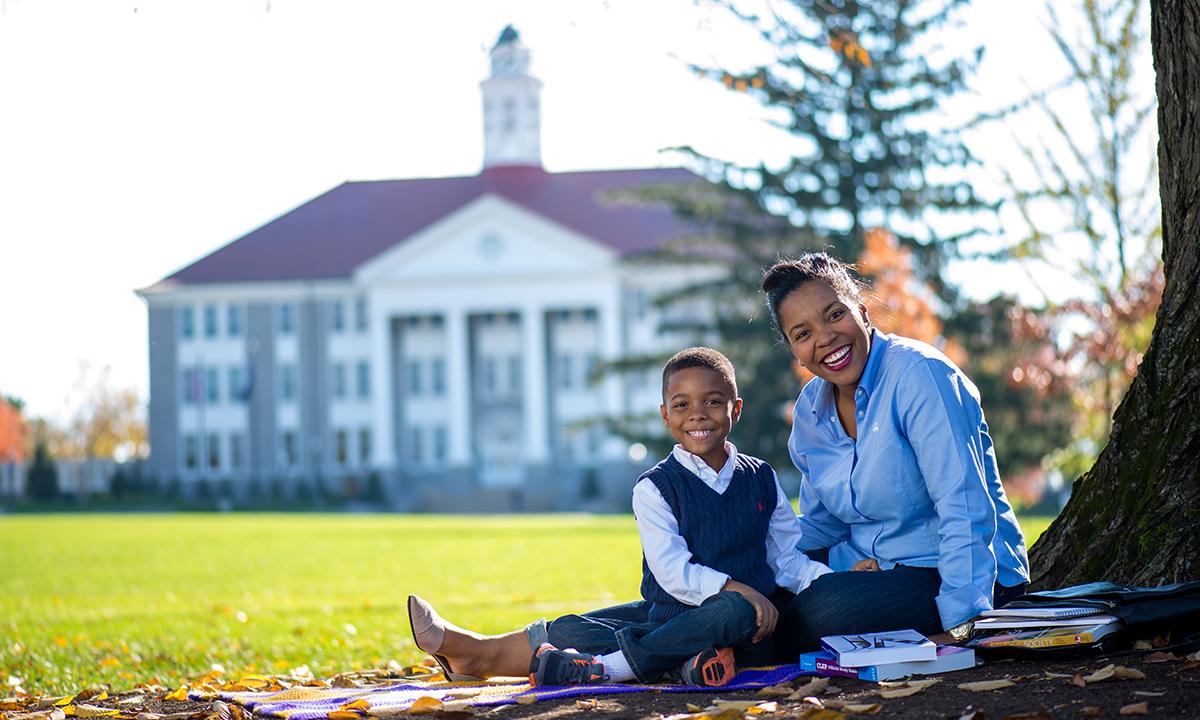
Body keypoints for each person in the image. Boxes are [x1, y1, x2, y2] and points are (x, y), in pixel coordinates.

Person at [408, 347, 832, 687]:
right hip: (670, 616)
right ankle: (681, 664)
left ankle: (609, 669)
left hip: (745, 630)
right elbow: (671, 572)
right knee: (577, 628)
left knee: (735, 609)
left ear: (734, 409)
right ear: (666, 416)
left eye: (713, 402)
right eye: (681, 404)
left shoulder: (760, 478)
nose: (697, 414)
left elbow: (788, 561)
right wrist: (738, 587)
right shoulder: (654, 487)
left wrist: (833, 581)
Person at [759, 252, 1030, 662]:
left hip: (954, 573)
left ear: (862, 312)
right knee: (757, 576)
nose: (825, 338)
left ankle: (728, 643)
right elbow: (821, 526)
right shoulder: (811, 410)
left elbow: (965, 507)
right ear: (795, 351)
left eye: (834, 315)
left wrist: (965, 625)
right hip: (871, 568)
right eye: (802, 333)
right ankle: (675, 632)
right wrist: (745, 555)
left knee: (822, 607)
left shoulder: (919, 376)